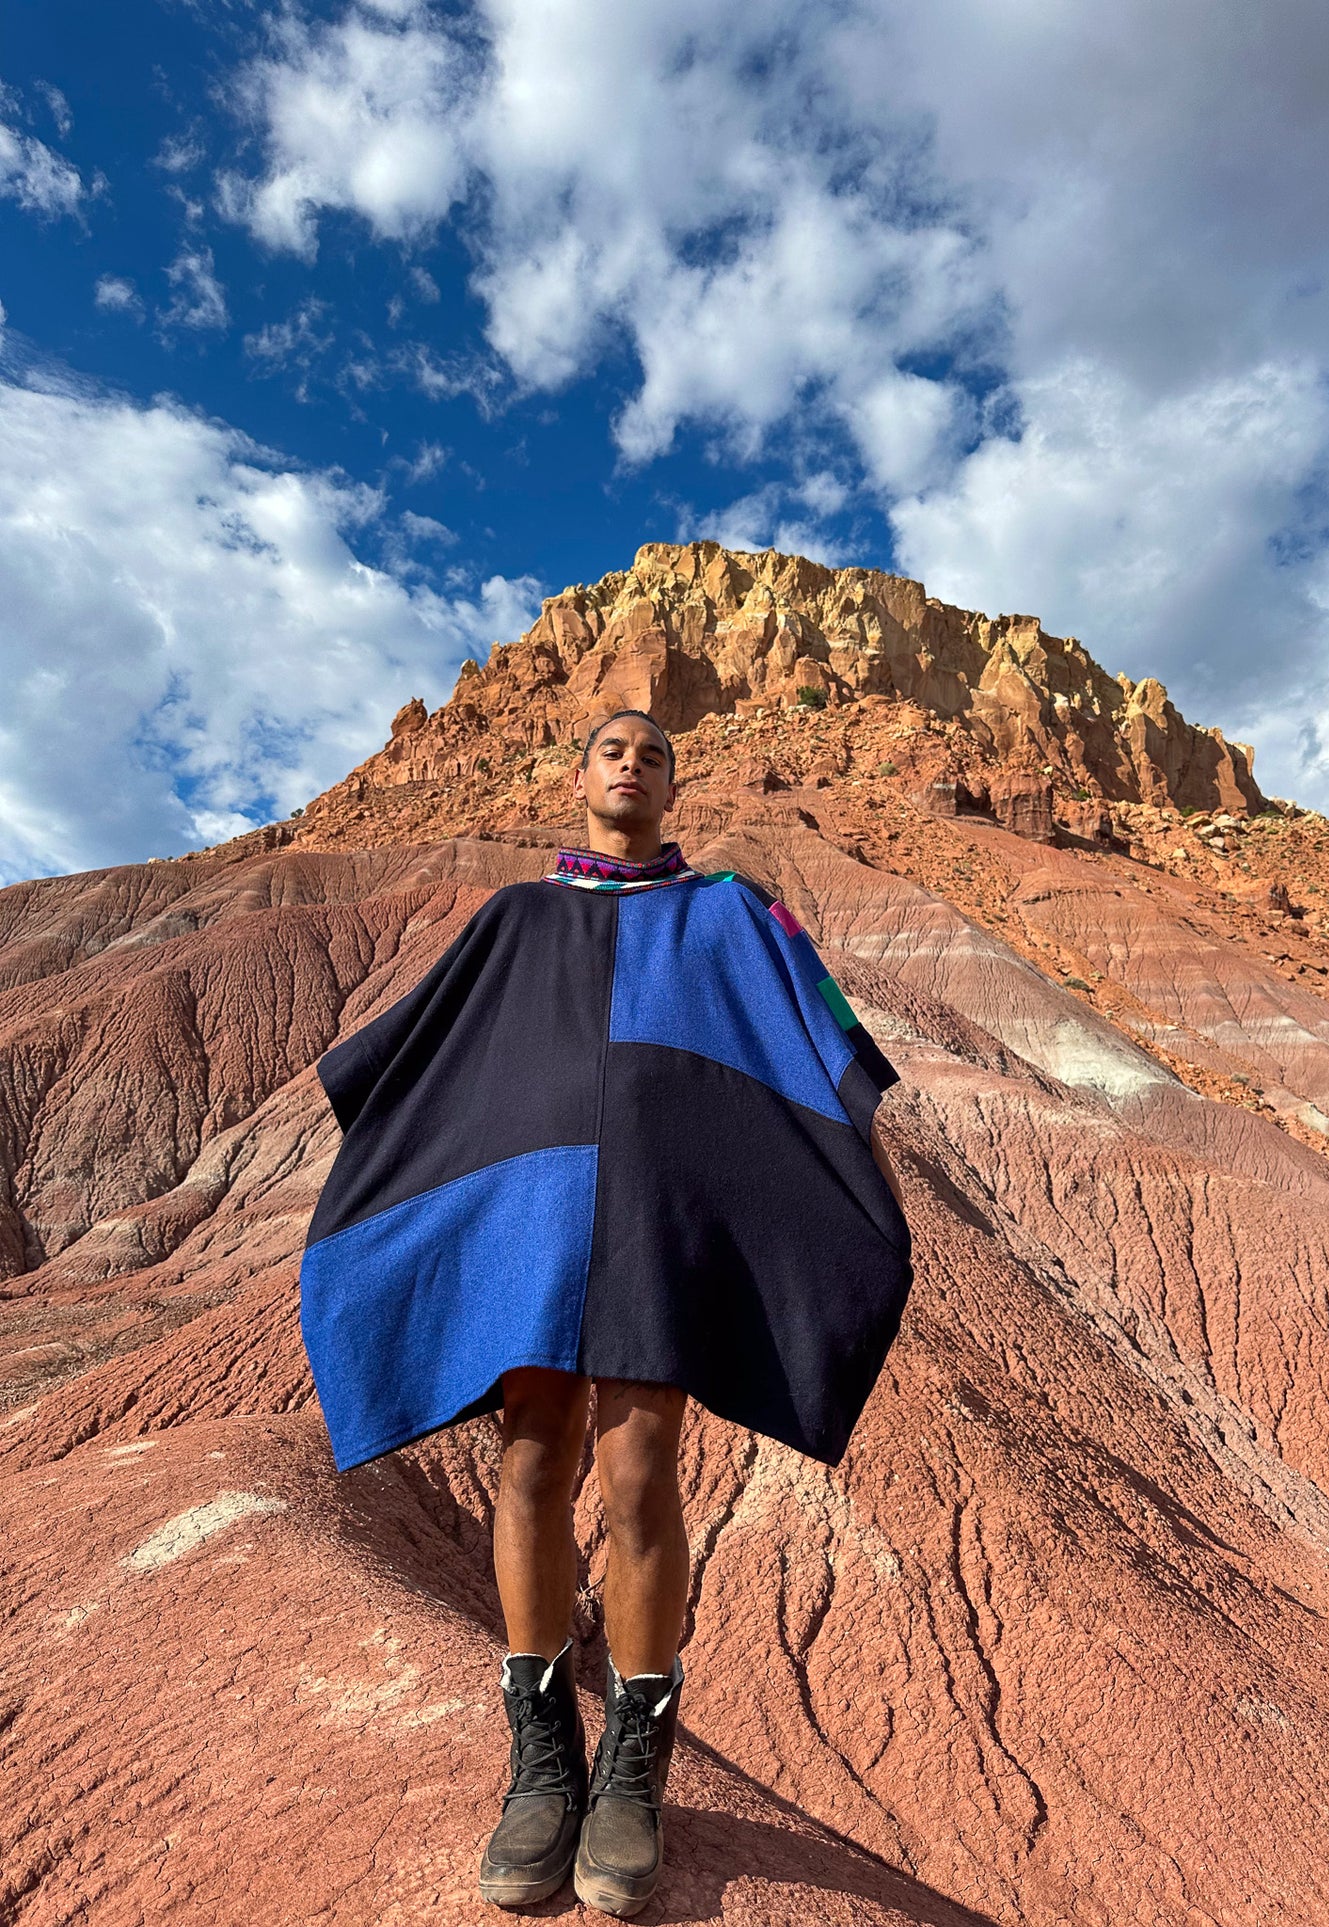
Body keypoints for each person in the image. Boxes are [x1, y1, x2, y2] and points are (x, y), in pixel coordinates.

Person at [299, 708, 913, 1916]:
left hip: (654, 1223)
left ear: (672, 787)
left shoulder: (729, 910)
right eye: (611, 749)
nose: (631, 762)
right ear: (576, 778)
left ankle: (633, 1765)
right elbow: (423, 1060)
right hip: (533, 1213)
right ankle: (540, 1764)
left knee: (639, 1471)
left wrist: (857, 1170)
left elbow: (823, 1041)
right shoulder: (515, 919)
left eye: (653, 752)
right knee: (532, 1458)